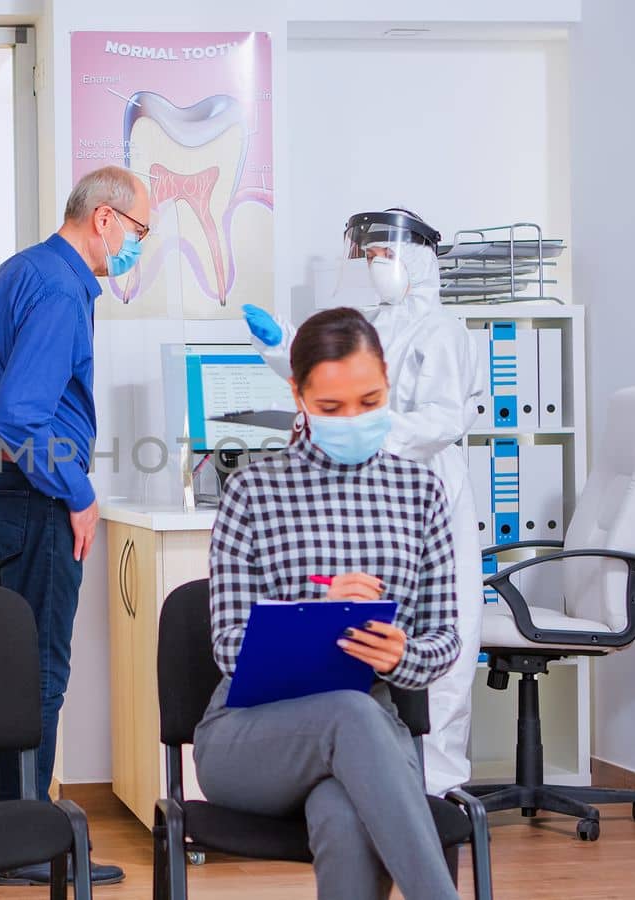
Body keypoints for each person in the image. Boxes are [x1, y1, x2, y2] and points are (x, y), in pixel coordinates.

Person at [197, 307, 462, 900]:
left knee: (345, 813)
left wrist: (400, 656)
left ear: (388, 381)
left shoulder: (420, 492)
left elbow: (445, 635)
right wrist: (318, 616)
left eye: (370, 402)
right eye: (332, 408)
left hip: (371, 735)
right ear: (298, 395)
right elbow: (228, 647)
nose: (355, 420)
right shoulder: (253, 491)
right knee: (347, 709)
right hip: (251, 737)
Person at [242, 208, 483, 797]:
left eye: (387, 257)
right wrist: (282, 351)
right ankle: (373, 778)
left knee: (438, 637)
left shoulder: (443, 332)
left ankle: (439, 789)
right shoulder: (376, 326)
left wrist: (369, 427)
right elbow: (333, 383)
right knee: (361, 638)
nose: (378, 268)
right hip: (373, 494)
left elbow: (445, 419)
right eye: (371, 258)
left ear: (422, 258)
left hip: (430, 491)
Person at [0, 164, 148, 887]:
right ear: (104, 218)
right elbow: (20, 415)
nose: (137, 246)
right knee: (38, 672)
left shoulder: (21, 272)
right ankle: (31, 843)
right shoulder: (64, 290)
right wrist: (76, 492)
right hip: (34, 496)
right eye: (137, 230)